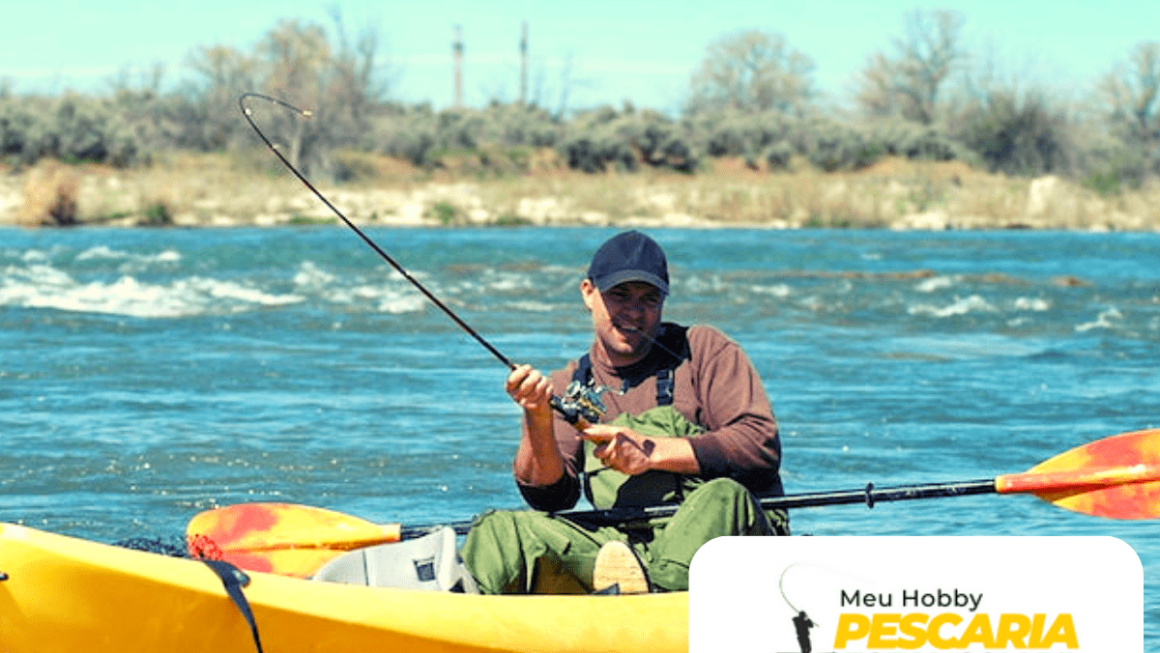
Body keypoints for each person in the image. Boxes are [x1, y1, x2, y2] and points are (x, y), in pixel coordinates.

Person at [461, 230, 788, 595]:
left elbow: (760, 445)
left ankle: (647, 608)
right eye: (620, 295)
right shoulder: (569, 384)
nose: (635, 312)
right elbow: (551, 498)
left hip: (732, 547)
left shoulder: (704, 350)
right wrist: (537, 418)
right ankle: (452, 624)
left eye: (649, 299)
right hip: (624, 554)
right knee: (500, 529)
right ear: (588, 292)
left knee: (723, 495)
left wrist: (650, 452)